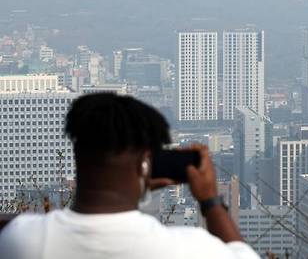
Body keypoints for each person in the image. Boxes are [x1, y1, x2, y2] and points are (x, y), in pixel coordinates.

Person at [0, 93, 259, 259]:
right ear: (146, 162)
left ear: (77, 153)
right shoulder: (187, 248)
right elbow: (242, 254)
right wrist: (210, 200)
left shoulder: (22, 240)